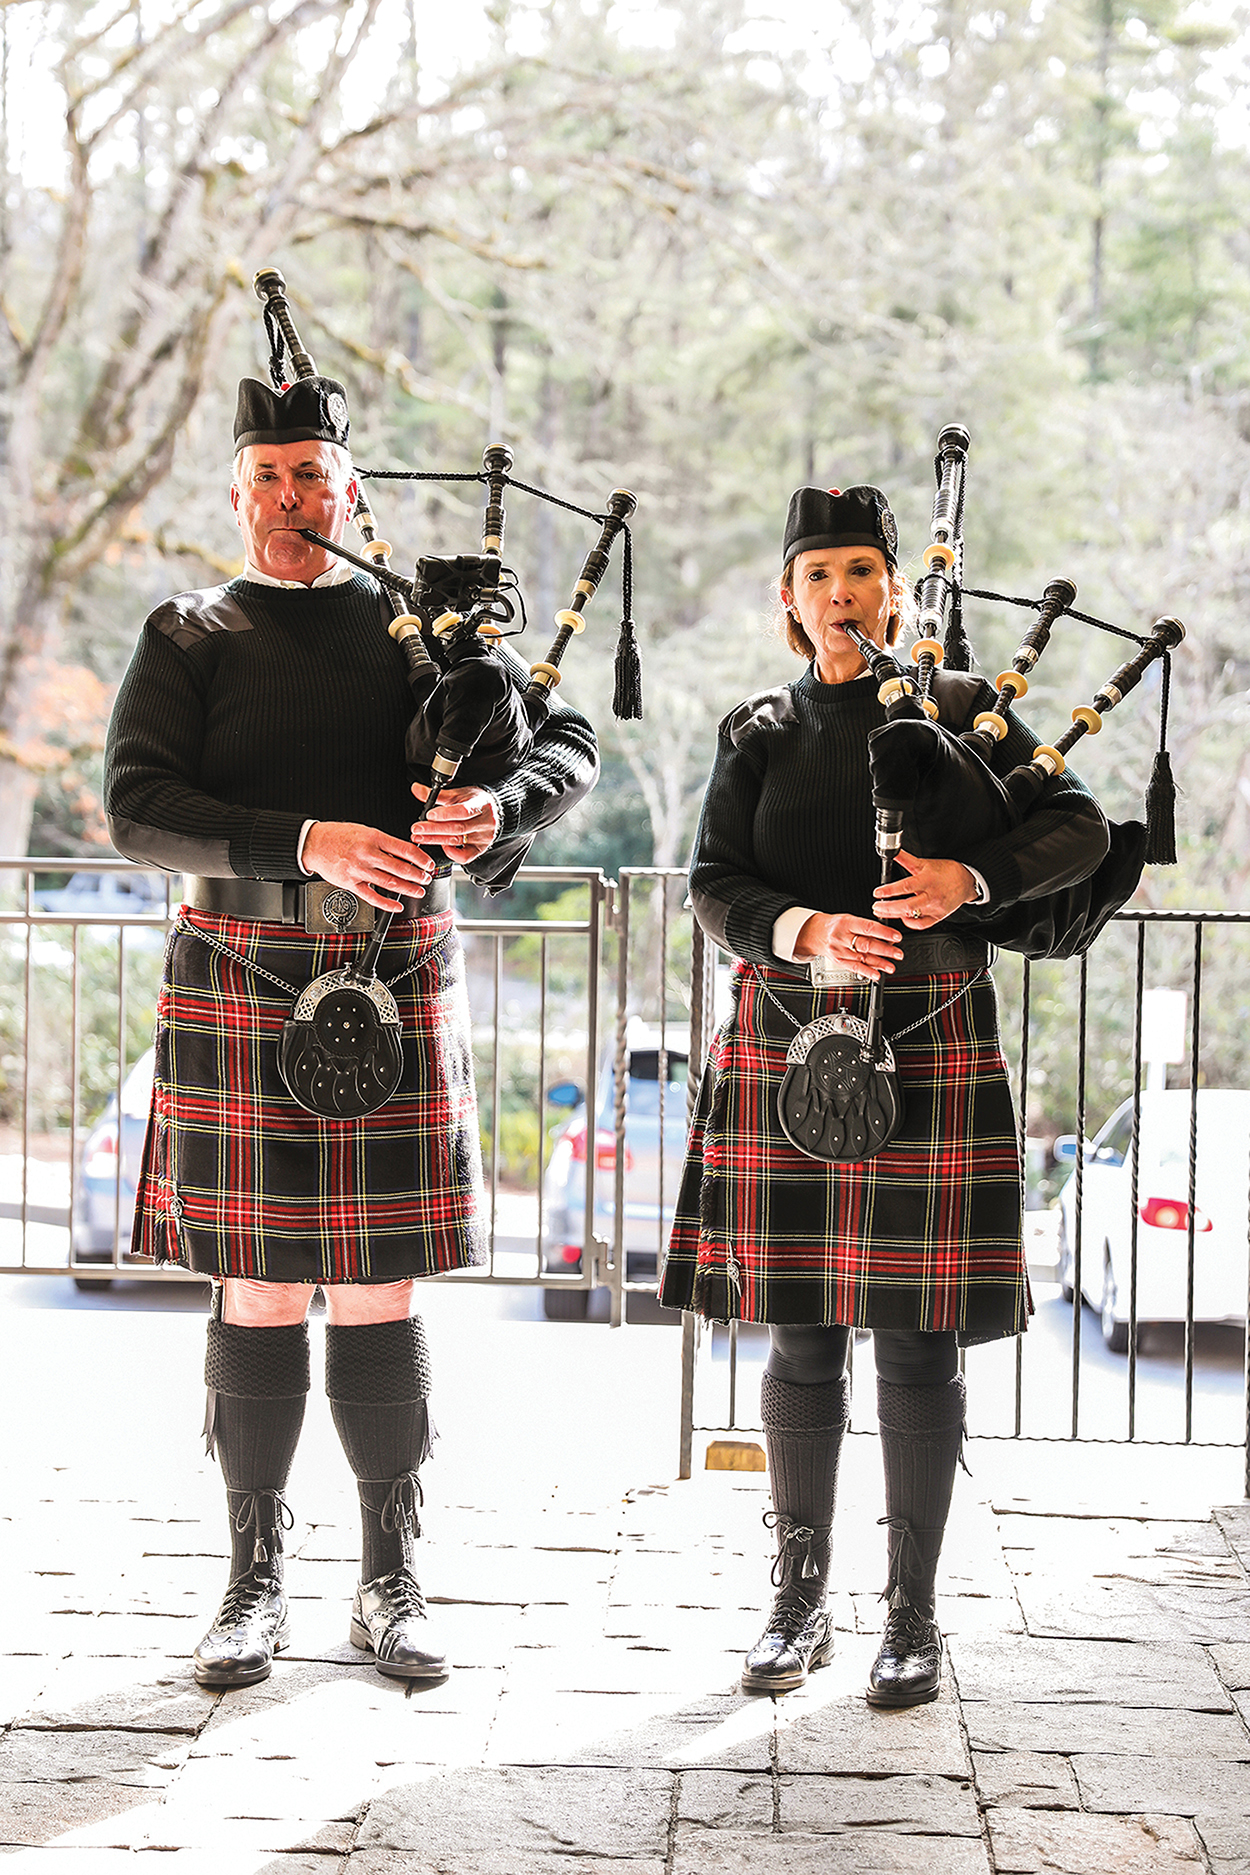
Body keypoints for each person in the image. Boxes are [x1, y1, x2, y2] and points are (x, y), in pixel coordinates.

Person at [104, 371, 598, 1690]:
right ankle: (251, 1581)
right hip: (240, 963)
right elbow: (136, 806)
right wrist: (306, 835)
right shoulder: (191, 632)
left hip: (389, 970)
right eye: (268, 476)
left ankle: (390, 1578)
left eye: (313, 474)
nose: (290, 498)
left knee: (379, 1280)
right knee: (259, 1283)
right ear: (236, 491)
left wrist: (502, 810)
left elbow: (566, 737)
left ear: (352, 488)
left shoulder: (414, 631)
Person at [658, 484, 1109, 1707]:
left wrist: (970, 876)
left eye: (862, 571)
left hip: (933, 1036)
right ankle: (795, 1602)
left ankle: (910, 1617)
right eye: (818, 576)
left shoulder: (967, 713)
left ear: (896, 592)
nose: (841, 593)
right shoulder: (756, 727)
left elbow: (1082, 831)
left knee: (917, 1344)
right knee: (803, 1335)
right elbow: (714, 886)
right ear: (787, 602)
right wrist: (802, 927)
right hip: (787, 1036)